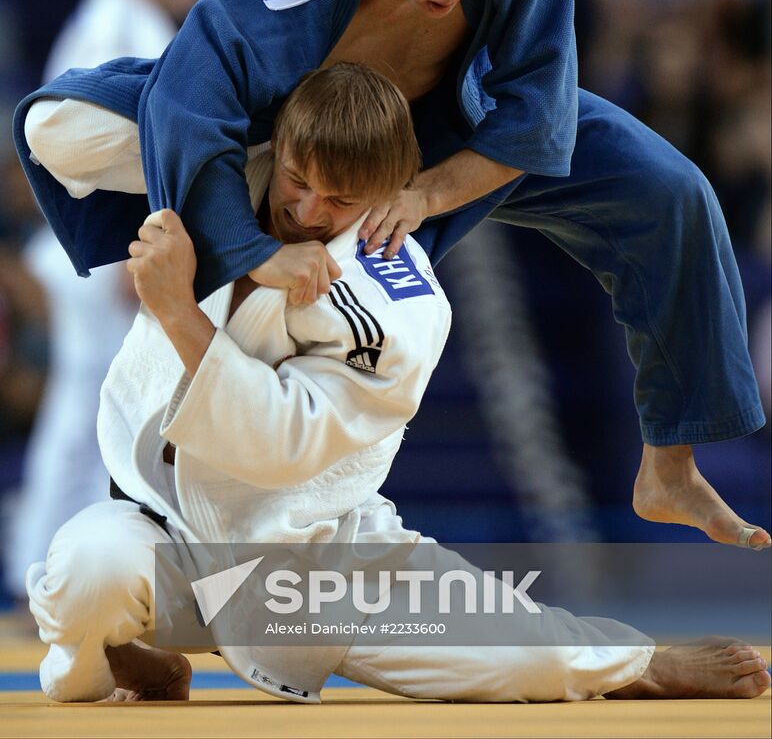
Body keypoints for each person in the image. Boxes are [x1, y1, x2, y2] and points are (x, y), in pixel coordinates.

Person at [14, 0, 768, 550]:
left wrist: (428, 194)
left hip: (451, 123)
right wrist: (251, 252)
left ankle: (671, 464)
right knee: (61, 126)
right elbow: (187, 101)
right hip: (290, 134)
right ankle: (241, 211)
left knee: (672, 191)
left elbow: (540, 117)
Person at [25, 64, 770, 705]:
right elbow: (56, 129)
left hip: (307, 569)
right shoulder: (218, 170)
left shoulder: (401, 301)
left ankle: (640, 666)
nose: (308, 212)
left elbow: (282, 442)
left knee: (521, 655)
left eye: (340, 201)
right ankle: (137, 657)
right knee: (86, 572)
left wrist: (178, 313)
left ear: (389, 196)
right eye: (297, 180)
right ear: (277, 144)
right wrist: (211, 87)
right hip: (163, 528)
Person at [3, 0, 220, 601]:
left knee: (91, 416)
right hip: (104, 251)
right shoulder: (127, 20)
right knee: (90, 419)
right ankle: (43, 573)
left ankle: (45, 571)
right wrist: (134, 251)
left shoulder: (103, 17)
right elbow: (129, 145)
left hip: (94, 247)